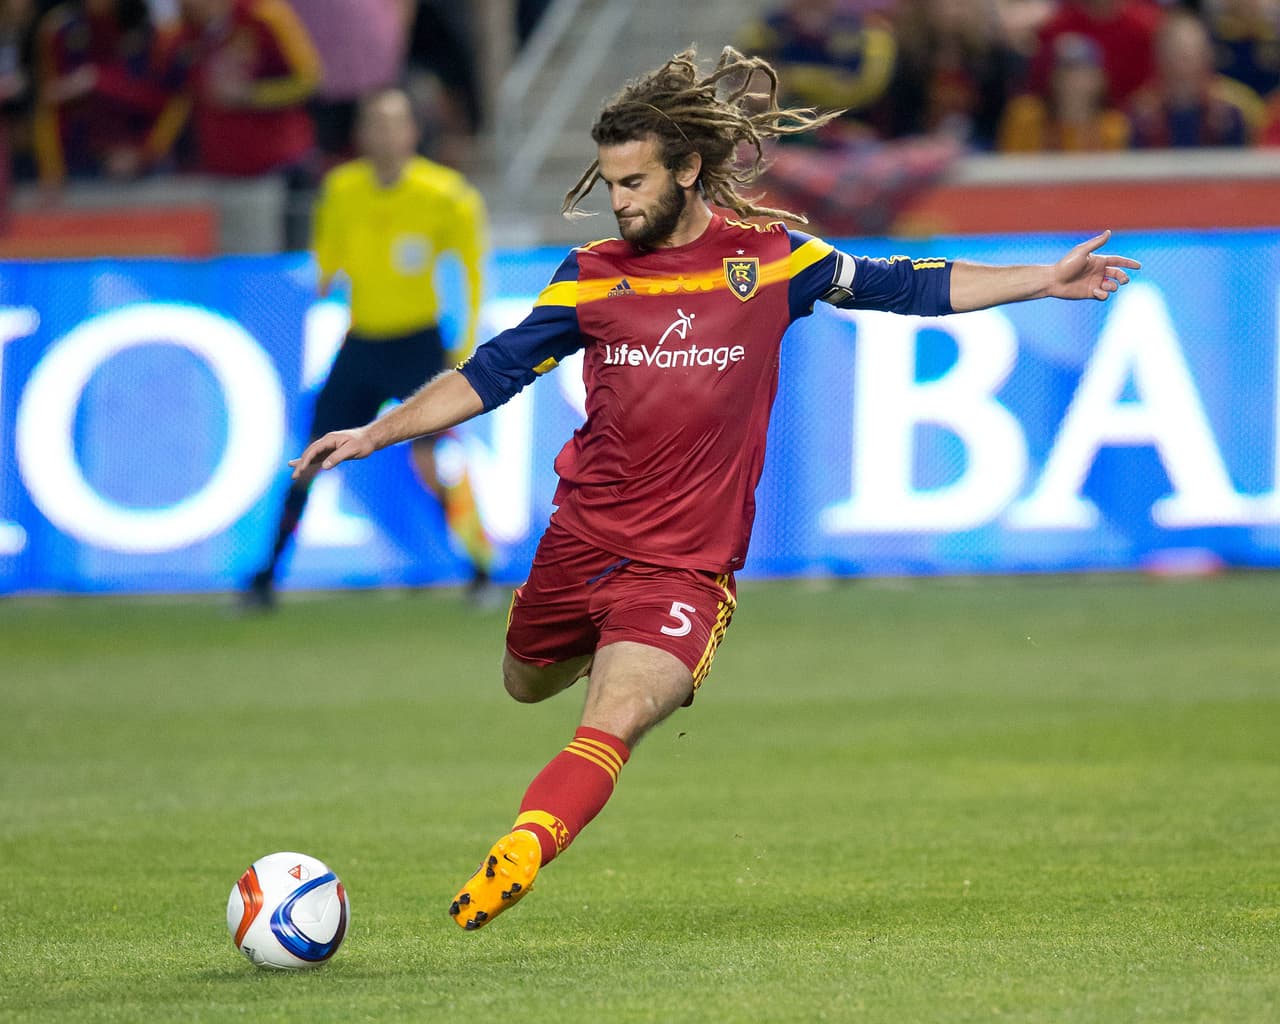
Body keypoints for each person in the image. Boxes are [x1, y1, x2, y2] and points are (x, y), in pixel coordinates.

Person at [289, 46, 1140, 931]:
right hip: (581, 543)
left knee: (615, 715)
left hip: (684, 570)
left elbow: (907, 286)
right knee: (525, 683)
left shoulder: (775, 261)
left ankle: (525, 847)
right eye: (611, 183)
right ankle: (593, 643)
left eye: (634, 182)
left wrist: (1043, 278)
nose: (619, 200)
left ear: (689, 169)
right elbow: (493, 371)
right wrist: (377, 431)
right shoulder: (592, 274)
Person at [244, 87, 494, 610]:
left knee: (434, 457)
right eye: (374, 125)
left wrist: (465, 345)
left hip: (419, 343)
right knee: (316, 448)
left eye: (394, 124)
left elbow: (470, 274)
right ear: (361, 134)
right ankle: (267, 574)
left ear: (411, 132)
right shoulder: (341, 189)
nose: (384, 135)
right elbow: (327, 258)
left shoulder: (445, 194)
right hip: (362, 340)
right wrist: (315, 277)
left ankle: (480, 569)